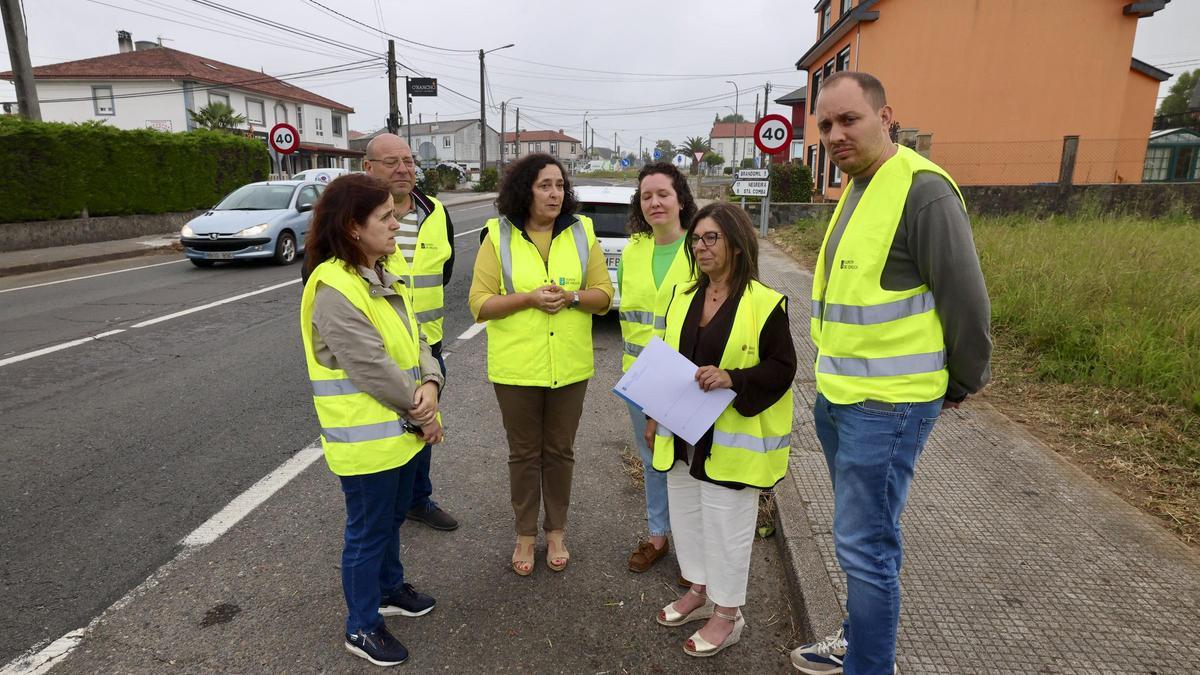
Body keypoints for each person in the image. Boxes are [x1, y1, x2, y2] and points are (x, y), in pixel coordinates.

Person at [790, 72, 991, 675]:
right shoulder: (859, 185)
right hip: (843, 396)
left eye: (848, 119)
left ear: (886, 116)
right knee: (864, 538)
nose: (834, 134)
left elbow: (967, 302)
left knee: (864, 547)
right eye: (825, 125)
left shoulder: (921, 190)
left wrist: (960, 383)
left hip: (889, 405)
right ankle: (858, 640)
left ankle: (870, 666)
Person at [299, 173, 445, 667]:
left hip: (400, 433)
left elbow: (418, 338)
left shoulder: (382, 272)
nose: (397, 220)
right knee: (367, 531)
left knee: (389, 521)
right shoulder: (334, 287)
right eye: (385, 216)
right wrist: (422, 410)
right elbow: (369, 367)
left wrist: (431, 383)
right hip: (369, 441)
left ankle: (388, 590)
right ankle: (361, 626)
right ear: (353, 227)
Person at [647, 202, 797, 658]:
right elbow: (667, 361)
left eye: (710, 238)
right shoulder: (683, 297)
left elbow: (783, 367)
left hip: (730, 443)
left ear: (735, 243)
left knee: (726, 526)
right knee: (688, 516)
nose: (700, 246)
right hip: (683, 434)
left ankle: (728, 615)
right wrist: (654, 412)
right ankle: (698, 590)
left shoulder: (764, 302)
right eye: (696, 238)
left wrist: (734, 377)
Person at [468, 153, 613, 576]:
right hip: (517, 368)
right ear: (524, 191)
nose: (555, 193)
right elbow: (479, 303)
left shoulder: (582, 231)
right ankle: (525, 535)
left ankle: (557, 532)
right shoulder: (497, 235)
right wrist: (529, 298)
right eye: (544, 185)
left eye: (559, 185)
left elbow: (603, 296)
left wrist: (570, 297)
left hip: (569, 366)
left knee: (560, 452)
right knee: (524, 455)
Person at [363, 133, 459, 532]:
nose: (403, 169)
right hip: (375, 346)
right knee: (383, 427)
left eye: (408, 161)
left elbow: (446, 271)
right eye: (391, 162)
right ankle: (384, 508)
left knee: (424, 421)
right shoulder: (354, 216)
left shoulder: (435, 211)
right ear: (368, 168)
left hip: (427, 342)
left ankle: (417, 500)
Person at [617, 162, 697, 574]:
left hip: (687, 379)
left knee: (688, 463)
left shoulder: (700, 247)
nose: (654, 202)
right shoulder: (633, 251)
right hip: (639, 379)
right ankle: (657, 535)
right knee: (653, 460)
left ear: (680, 198)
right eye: (646, 196)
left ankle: (692, 551)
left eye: (663, 194)